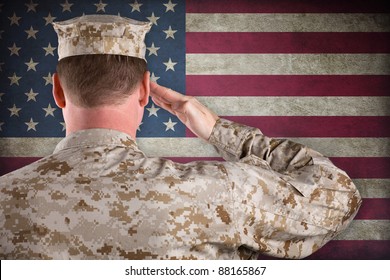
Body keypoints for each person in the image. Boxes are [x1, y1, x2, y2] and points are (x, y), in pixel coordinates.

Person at [0, 15, 361, 260]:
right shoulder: (221, 192)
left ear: (58, 92)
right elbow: (338, 198)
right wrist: (219, 131)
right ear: (145, 90)